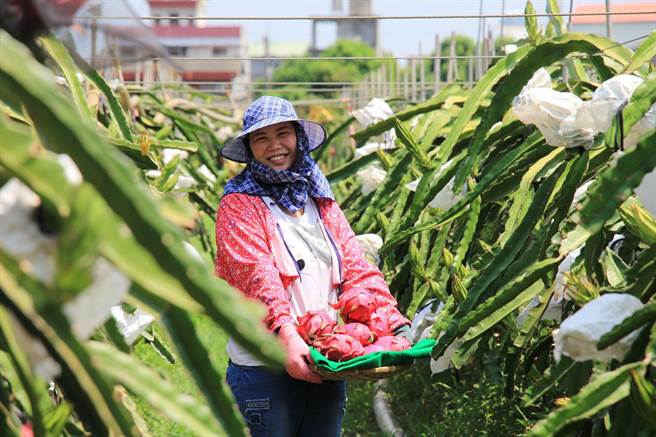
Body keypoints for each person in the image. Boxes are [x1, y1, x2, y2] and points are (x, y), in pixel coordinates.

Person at [215, 96, 410, 437]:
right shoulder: (239, 205)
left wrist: (392, 320)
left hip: (326, 361)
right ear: (249, 149)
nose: (275, 146)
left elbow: (355, 266)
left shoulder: (317, 198)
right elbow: (257, 278)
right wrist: (288, 337)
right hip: (266, 369)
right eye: (261, 138)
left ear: (298, 137)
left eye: (283, 133)